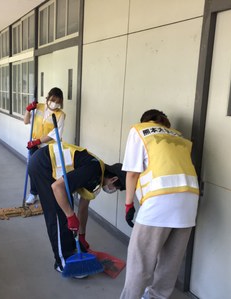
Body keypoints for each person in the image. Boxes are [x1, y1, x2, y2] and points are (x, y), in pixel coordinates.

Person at [120, 109, 199, 299]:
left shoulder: (139, 130)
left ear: (146, 121)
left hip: (160, 201)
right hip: (189, 202)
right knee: (171, 261)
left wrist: (128, 204)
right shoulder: (179, 137)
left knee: (140, 259)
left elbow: (132, 173)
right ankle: (157, 296)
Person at [28, 142, 126, 274]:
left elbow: (83, 208)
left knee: (66, 209)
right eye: (117, 188)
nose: (113, 190)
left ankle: (70, 248)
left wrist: (81, 236)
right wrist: (70, 215)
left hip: (49, 167)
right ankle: (62, 262)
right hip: (43, 164)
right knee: (58, 214)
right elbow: (57, 187)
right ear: (113, 179)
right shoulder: (93, 169)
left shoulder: (98, 177)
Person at [24, 87, 65, 205]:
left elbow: (54, 135)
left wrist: (38, 141)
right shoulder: (39, 107)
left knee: (48, 172)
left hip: (49, 148)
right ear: (48, 98)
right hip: (34, 145)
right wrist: (28, 110)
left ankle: (48, 195)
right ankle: (33, 193)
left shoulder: (60, 115)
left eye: (58, 102)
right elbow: (26, 121)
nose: (55, 104)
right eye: (53, 100)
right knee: (32, 169)